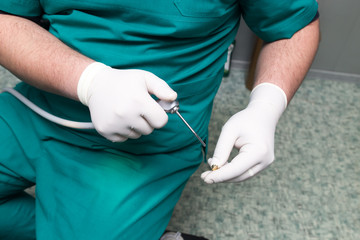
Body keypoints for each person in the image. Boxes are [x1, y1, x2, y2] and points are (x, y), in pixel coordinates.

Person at [0, 0, 320, 239]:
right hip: (38, 103)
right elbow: (8, 18)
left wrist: (267, 104)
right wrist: (89, 80)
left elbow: (292, 26)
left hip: (144, 145)